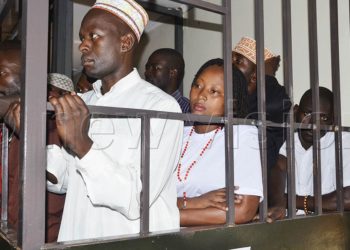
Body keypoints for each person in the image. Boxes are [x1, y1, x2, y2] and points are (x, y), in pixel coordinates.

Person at [5, 0, 183, 242]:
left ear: (125, 42)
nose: (83, 46)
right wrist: (30, 136)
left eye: (94, 36)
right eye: (82, 37)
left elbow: (136, 199)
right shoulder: (84, 101)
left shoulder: (160, 106)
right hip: (78, 237)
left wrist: (82, 143)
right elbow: (64, 180)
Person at [176, 58, 263, 226]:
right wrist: (196, 202)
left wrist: (168, 217)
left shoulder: (241, 134)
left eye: (214, 91)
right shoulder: (177, 134)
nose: (201, 95)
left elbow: (243, 210)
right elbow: (146, 201)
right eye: (197, 85)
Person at [267, 87, 350, 222]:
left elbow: (347, 198)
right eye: (307, 113)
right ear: (295, 112)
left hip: (332, 231)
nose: (313, 124)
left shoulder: (343, 142)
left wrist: (293, 201)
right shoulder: (284, 143)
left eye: (323, 117)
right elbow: (277, 175)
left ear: (333, 120)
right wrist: (279, 203)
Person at [232, 37, 291, 171]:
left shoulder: (273, 100)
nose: (230, 65)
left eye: (238, 61)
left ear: (255, 76)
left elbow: (278, 103)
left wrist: (266, 75)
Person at [145, 48, 190, 113]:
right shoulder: (143, 103)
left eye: (156, 68)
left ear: (172, 73)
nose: (147, 73)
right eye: (147, 68)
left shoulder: (187, 110)